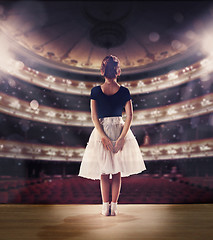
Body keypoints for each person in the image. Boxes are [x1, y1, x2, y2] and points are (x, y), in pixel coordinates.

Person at [78, 55, 146, 216]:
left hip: (101, 130)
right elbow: (129, 116)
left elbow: (94, 117)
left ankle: (105, 207)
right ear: (119, 71)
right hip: (118, 128)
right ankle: (114, 207)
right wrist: (122, 136)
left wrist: (102, 135)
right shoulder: (124, 91)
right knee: (116, 172)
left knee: (104, 171)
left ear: (102, 71)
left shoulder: (95, 91)